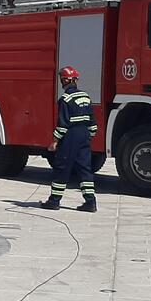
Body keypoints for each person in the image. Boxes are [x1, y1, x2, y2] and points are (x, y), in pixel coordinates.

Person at [41, 66, 98, 212]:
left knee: (62, 166)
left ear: (64, 80)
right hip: (84, 134)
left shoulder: (65, 99)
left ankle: (54, 201)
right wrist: (89, 135)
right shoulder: (85, 96)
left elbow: (63, 124)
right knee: (85, 168)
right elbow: (92, 120)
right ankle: (90, 202)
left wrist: (55, 141)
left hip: (71, 135)